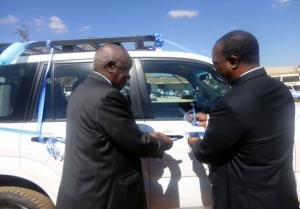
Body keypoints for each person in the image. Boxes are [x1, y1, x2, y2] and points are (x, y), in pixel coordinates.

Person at [188, 30, 299, 209]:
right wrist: (213, 120)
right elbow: (255, 127)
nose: (216, 70)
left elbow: (205, 152)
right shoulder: (280, 89)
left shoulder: (230, 103)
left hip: (245, 199)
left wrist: (194, 142)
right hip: (280, 195)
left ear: (233, 61)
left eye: (216, 65)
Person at [56, 43, 173, 209]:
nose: (129, 77)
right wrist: (162, 144)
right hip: (104, 195)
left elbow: (109, 132)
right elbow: (135, 143)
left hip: (84, 189)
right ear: (111, 67)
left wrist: (141, 136)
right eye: (126, 70)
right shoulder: (108, 96)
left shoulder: (82, 90)